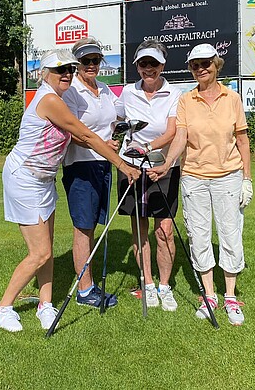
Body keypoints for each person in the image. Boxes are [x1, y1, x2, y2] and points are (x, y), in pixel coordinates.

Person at [0, 49, 140, 332]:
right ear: (45, 74)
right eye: (61, 70)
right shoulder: (49, 99)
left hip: (45, 180)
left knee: (46, 249)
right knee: (40, 253)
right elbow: (84, 134)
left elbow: (80, 136)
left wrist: (107, 145)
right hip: (25, 177)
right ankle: (3, 308)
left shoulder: (58, 98)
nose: (67, 74)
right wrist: (122, 164)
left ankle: (45, 304)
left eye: (70, 69)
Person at [147, 43, 253, 326]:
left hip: (228, 176)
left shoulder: (232, 98)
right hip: (194, 177)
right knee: (199, 236)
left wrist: (247, 179)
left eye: (205, 63)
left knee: (230, 234)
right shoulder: (186, 100)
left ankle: (230, 296)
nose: (200, 69)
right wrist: (167, 164)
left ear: (216, 65)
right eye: (195, 65)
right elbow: (180, 138)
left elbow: (242, 141)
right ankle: (209, 295)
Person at [115, 40, 182, 311]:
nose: (148, 68)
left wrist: (148, 147)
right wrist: (117, 133)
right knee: (139, 228)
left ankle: (165, 286)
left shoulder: (174, 93)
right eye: (143, 63)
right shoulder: (128, 92)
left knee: (164, 230)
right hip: (131, 167)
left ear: (162, 65)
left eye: (153, 63)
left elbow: (171, 131)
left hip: (163, 167)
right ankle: (149, 284)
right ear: (137, 66)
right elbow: (116, 121)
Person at [61, 37, 120, 308]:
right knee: (83, 228)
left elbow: (116, 120)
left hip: (103, 164)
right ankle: (84, 291)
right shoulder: (71, 91)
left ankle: (89, 284)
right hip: (81, 165)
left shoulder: (105, 90)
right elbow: (71, 133)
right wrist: (101, 145)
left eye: (96, 60)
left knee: (92, 225)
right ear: (77, 64)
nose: (91, 65)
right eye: (86, 61)